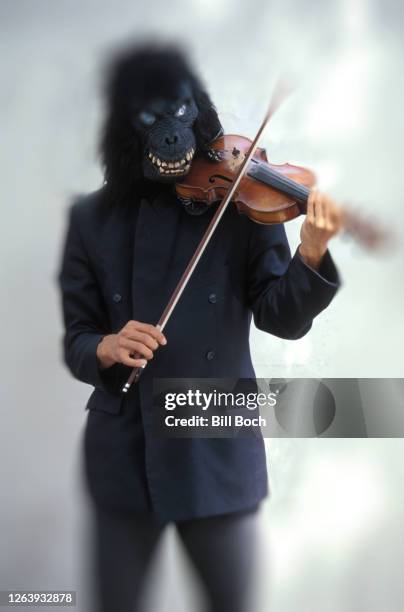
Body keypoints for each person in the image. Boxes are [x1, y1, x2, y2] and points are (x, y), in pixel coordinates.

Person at [57, 42, 342, 612]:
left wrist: (309, 255)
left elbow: (281, 317)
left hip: (216, 440)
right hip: (123, 450)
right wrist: (107, 346)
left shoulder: (237, 199)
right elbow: (77, 339)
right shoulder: (90, 218)